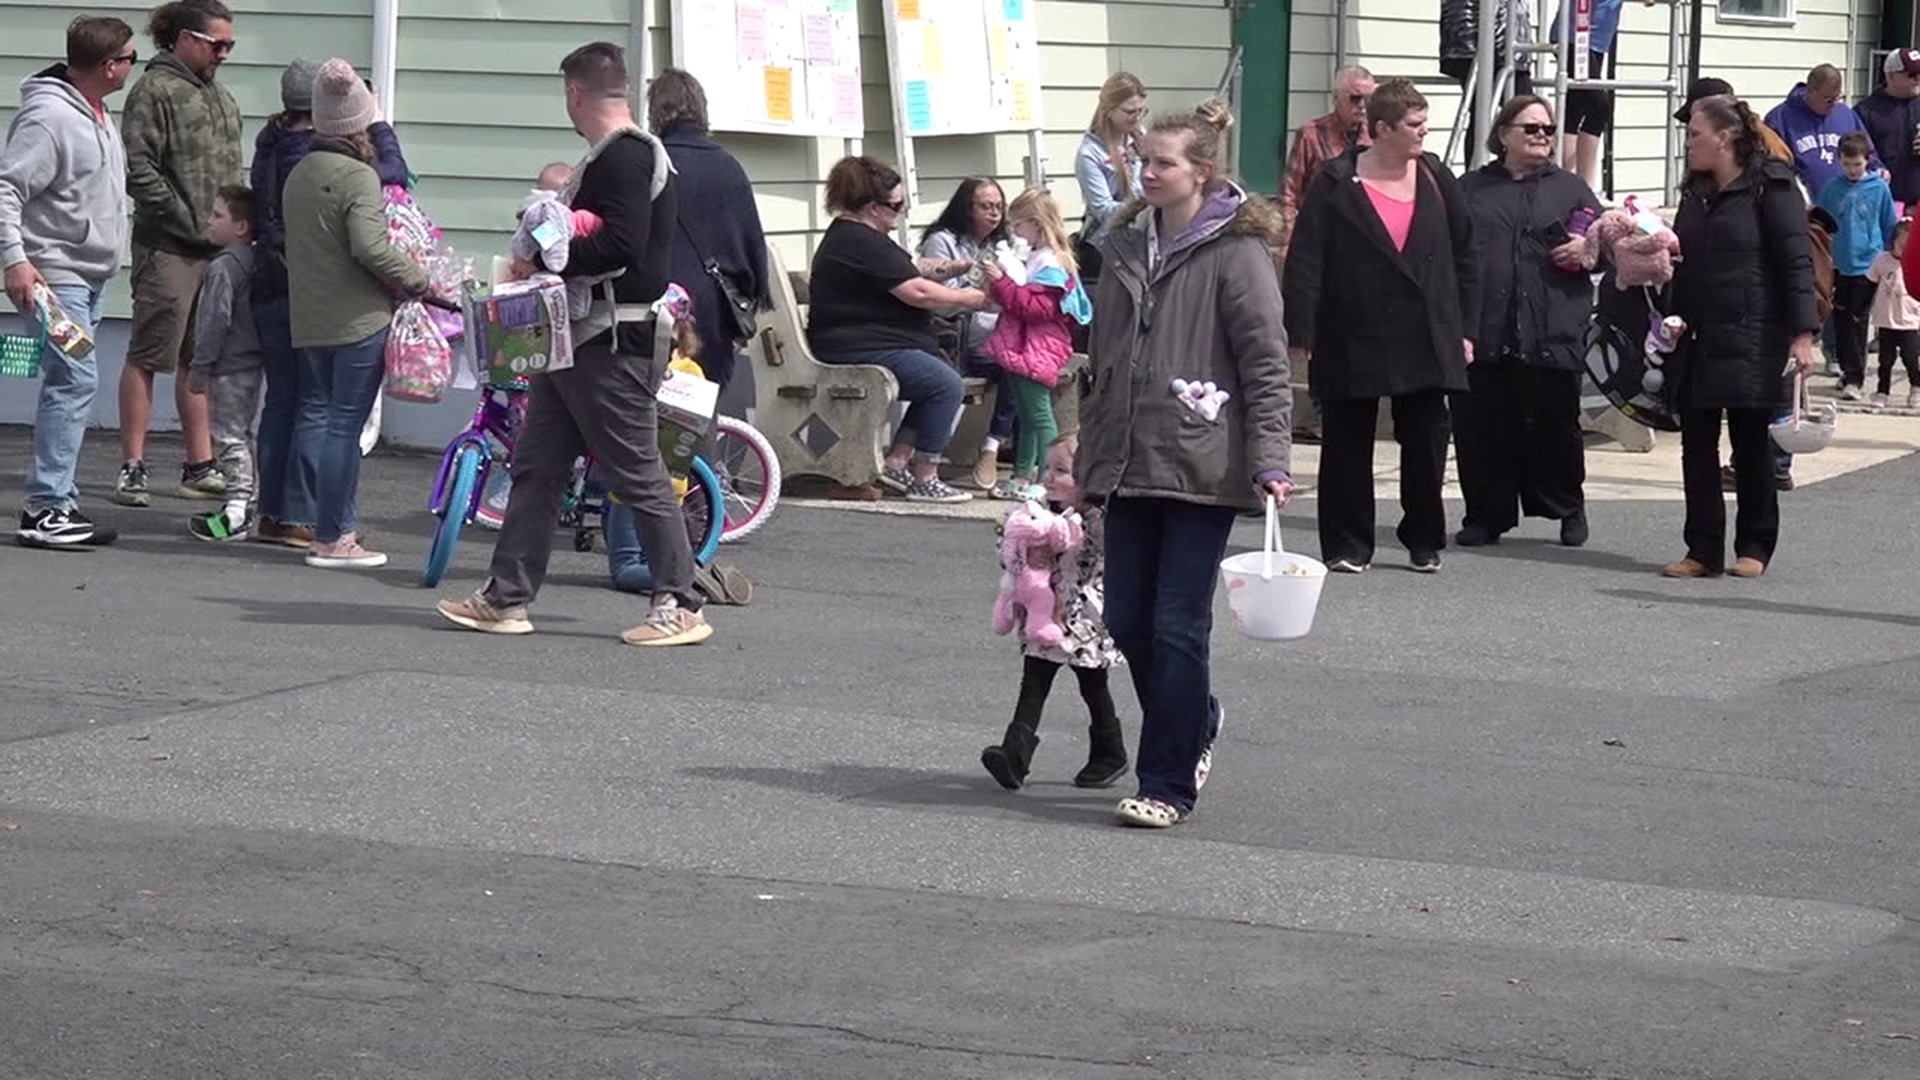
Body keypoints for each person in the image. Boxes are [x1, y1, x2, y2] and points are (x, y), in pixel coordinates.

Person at [437, 42, 714, 646]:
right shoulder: (618, 157)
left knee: (637, 470)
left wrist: (541, 257)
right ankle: (506, 596)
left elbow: (623, 246)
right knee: (537, 467)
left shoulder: (626, 157)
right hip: (581, 339)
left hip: (613, 339)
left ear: (574, 94)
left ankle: (681, 600)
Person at [1076, 99, 1293, 829]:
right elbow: (1101, 361)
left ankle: (1166, 782)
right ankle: (1196, 715)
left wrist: (1269, 458)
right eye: (1143, 160)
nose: (1148, 172)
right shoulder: (1125, 244)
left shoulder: (1238, 255)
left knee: (1177, 625)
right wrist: (1082, 448)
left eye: (1163, 161)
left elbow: (1265, 364)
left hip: (1204, 460)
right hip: (1129, 459)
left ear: (1202, 171)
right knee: (1129, 620)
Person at [1284, 78, 1477, 575]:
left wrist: (1466, 329)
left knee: (1427, 441)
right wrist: (1300, 329)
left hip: (1426, 329)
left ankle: (1423, 538)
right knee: (1347, 439)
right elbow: (1307, 257)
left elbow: (1465, 254)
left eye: (1425, 122)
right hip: (1352, 329)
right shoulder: (1335, 181)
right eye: (1414, 125)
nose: (1423, 133)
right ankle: (1348, 544)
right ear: (1382, 129)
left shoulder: (1435, 175)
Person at [249, 57, 411, 549]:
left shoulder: (272, 148)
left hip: (272, 285)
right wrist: (379, 123)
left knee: (282, 401)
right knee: (320, 409)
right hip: (320, 296)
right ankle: (308, 515)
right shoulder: (331, 164)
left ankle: (273, 512)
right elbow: (394, 174)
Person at [1663, 94, 1817, 580]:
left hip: (1753, 332)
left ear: (1725, 138)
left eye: (1695, 135)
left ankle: (1754, 544)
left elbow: (1795, 262)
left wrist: (1803, 334)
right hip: (1698, 332)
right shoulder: (1696, 192)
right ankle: (1702, 549)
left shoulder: (1771, 187)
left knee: (1749, 444)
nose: (1688, 144)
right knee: (1696, 444)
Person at [283, 60, 427, 570]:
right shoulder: (358, 177)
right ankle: (334, 536)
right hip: (358, 318)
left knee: (319, 418)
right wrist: (420, 280)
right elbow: (370, 247)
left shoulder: (300, 171)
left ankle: (322, 523)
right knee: (345, 426)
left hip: (309, 317)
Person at [1, 15, 136, 549]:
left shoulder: (98, 113)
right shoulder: (49, 119)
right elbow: (7, 190)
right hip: (56, 275)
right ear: (109, 66)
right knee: (74, 379)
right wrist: (15, 260)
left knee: (67, 377)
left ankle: (58, 499)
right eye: (130, 57)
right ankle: (46, 508)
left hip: (91, 273)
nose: (132, 65)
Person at [1456, 95, 1599, 549]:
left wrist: (1586, 248)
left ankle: (1568, 507)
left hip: (1552, 326)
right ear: (1503, 135)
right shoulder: (1470, 189)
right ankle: (1486, 514)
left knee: (1555, 426)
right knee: (1482, 428)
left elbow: (1607, 240)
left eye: (1548, 129)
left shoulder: (1572, 189)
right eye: (1531, 128)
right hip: (1486, 328)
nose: (1542, 136)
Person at [116, 0, 243, 508]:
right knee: (150, 353)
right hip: (168, 248)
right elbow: (138, 168)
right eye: (219, 44)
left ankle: (199, 464)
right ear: (186, 39)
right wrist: (187, 220)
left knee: (200, 357)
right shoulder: (154, 91)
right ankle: (132, 465)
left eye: (230, 45)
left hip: (215, 253)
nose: (225, 54)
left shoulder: (219, 96)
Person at [805, 154, 988, 504]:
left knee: (939, 377)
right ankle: (925, 475)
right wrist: (971, 298)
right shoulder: (859, 241)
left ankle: (896, 461)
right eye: (897, 204)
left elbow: (908, 268)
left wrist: (955, 267)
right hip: (851, 347)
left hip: (861, 341)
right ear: (873, 206)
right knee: (944, 384)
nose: (901, 211)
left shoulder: (859, 237)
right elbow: (915, 291)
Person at [981, 436, 1128, 792]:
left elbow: (1094, 555)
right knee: (1034, 679)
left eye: (1061, 471)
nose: (1049, 477)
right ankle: (1015, 753)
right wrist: (1016, 536)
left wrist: (1063, 532)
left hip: (1084, 615)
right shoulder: (1040, 508)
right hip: (1044, 610)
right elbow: (1011, 545)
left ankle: (1110, 751)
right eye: (1048, 468)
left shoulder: (1098, 516)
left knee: (1092, 683)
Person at [645, 67, 769, 405]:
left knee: (649, 414)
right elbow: (753, 252)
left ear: (656, 111)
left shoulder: (649, 162)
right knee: (699, 416)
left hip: (656, 307)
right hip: (713, 310)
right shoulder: (729, 167)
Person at [979, 187, 1092, 502]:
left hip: (1035, 346)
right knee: (1027, 416)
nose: (1015, 231)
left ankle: (1047, 478)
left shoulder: (1050, 263)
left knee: (1040, 416)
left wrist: (1001, 281)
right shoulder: (1042, 257)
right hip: (1027, 345)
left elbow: (1037, 309)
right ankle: (1023, 475)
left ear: (1036, 224)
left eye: (1018, 225)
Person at [917, 177, 1014, 490]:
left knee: (1024, 368)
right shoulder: (942, 241)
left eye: (999, 207)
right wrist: (985, 291)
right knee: (1017, 367)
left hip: (991, 342)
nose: (994, 214)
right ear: (966, 208)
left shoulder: (999, 245)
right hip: (953, 343)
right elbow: (941, 303)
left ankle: (996, 448)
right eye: (986, 206)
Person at [184, 184, 261, 541]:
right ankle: (246, 500)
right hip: (251, 360)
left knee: (229, 437)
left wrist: (200, 369)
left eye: (218, 215)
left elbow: (215, 321)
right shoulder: (254, 261)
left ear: (241, 226)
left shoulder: (223, 268)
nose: (209, 222)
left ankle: (235, 512)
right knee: (243, 434)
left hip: (229, 365)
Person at [1815, 130, 1897, 401]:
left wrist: (1890, 261)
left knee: (1858, 320)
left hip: (1867, 265)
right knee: (1839, 318)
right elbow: (1819, 225)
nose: (1852, 170)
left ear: (1868, 161)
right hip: (1838, 264)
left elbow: (1888, 225)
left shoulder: (1878, 188)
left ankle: (1855, 378)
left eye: (1857, 165)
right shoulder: (1831, 188)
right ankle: (1846, 369)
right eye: (1847, 164)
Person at [1278, 65, 1374, 259]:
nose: (1362, 105)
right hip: (1320, 235)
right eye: (1355, 98)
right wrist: (1289, 241)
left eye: (1369, 98)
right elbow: (1289, 193)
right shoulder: (1310, 134)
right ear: (1336, 98)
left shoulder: (1377, 136)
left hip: (1363, 239)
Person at [1765, 64, 1882, 204]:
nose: (1834, 104)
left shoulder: (1846, 114)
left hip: (1848, 205)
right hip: (1805, 210)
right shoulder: (1780, 119)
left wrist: (1878, 169)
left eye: (1838, 97)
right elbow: (1773, 167)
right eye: (1828, 99)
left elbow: (1867, 151)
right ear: (1810, 91)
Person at [1439, 0, 1534, 168]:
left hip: (1508, 35)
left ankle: (1514, 172)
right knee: (1487, 114)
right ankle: (1480, 174)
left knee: (1523, 113)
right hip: (1474, 32)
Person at [1550, 0, 1626, 190]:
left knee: (1575, 107)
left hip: (1596, 39)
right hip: (1576, 36)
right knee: (1599, 106)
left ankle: (1563, 183)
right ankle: (1584, 186)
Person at [1074, 72, 1147, 246]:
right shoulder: (1090, 153)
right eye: (1130, 111)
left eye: (1141, 111)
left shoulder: (1141, 136)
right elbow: (1104, 210)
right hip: (1104, 245)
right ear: (1109, 110)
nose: (1137, 117)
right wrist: (1147, 205)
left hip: (1141, 236)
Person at [1855, 49, 1920, 217]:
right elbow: (1855, 154)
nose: (1918, 78)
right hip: (1883, 205)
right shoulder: (1866, 111)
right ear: (1890, 76)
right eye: (1912, 74)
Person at [1867, 217, 1920, 410]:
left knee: (1910, 357)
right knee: (1885, 360)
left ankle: (1916, 387)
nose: (1903, 249)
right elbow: (1870, 282)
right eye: (1900, 244)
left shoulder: (1915, 262)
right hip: (1886, 320)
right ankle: (1882, 391)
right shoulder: (1882, 261)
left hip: (1909, 320)